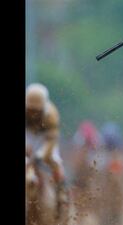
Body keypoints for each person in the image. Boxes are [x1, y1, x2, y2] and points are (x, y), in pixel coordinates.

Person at [25, 83, 68, 218]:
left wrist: (41, 155)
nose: (33, 115)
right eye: (31, 110)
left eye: (36, 111)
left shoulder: (52, 115)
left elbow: (52, 140)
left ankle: (62, 197)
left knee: (56, 163)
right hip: (28, 135)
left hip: (46, 139)